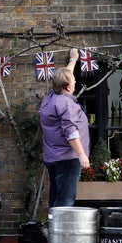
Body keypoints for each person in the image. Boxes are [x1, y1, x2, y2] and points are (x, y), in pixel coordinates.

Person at [40, 48, 91, 207]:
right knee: (65, 201)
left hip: (53, 157)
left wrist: (73, 60)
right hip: (67, 159)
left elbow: (63, 77)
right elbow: (71, 132)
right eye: (73, 80)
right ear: (68, 87)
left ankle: (52, 228)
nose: (75, 80)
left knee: (56, 196)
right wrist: (81, 154)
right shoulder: (66, 104)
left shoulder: (51, 96)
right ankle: (60, 232)